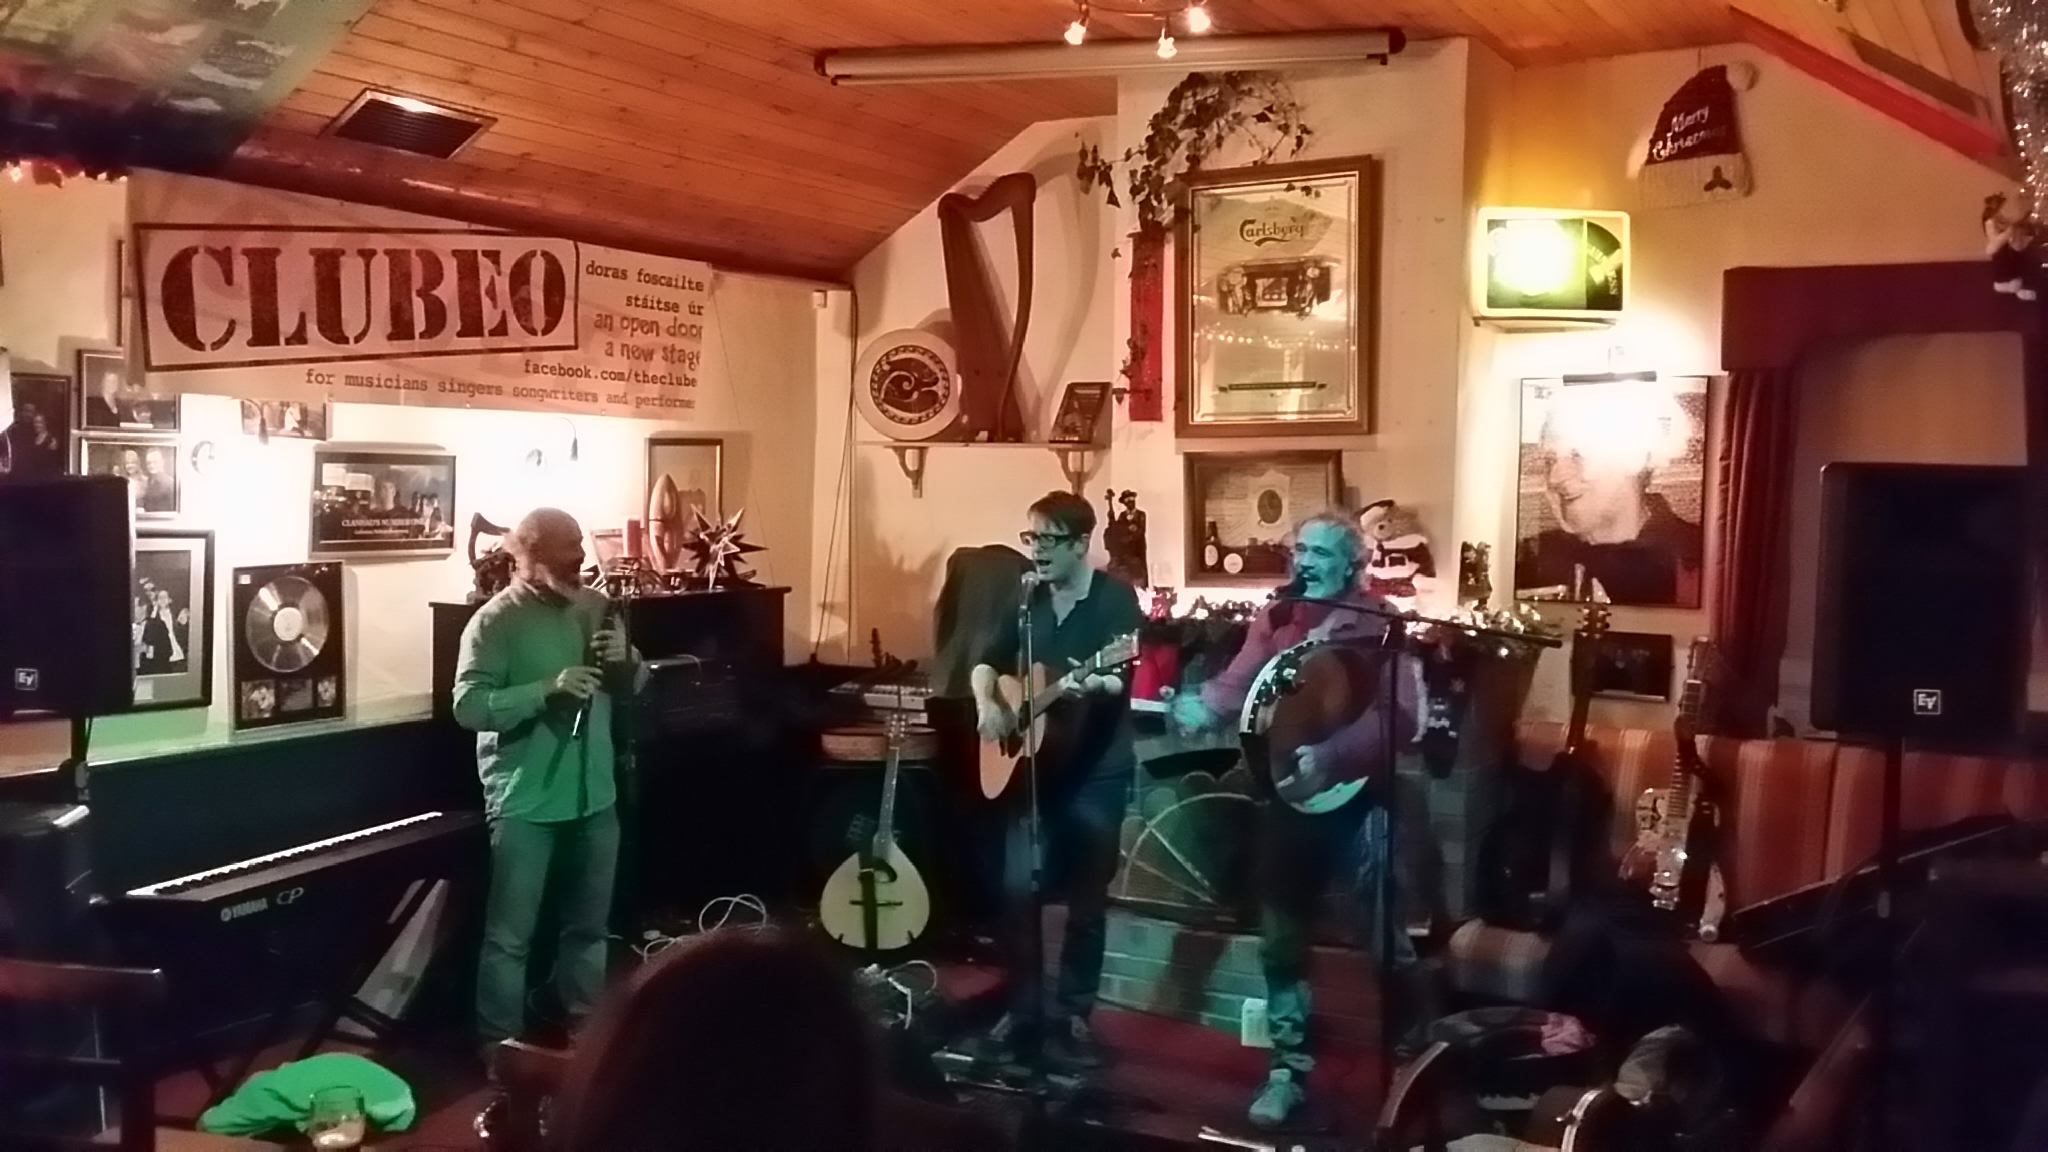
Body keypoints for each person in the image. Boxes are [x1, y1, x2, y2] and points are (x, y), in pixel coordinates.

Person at [1168, 511, 1429, 1130]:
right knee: (1280, 939)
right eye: (1301, 550)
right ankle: (1289, 1068)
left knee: (1385, 940)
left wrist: (1333, 756)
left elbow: (1401, 715)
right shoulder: (1278, 616)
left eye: (1322, 552)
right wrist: (1201, 707)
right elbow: (1240, 684)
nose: (1306, 561)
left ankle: (1414, 1056)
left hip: (1359, 800)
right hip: (1287, 800)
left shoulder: (1380, 623)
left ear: (1353, 565)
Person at [453, 507, 646, 1057]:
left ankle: (585, 1042)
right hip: (526, 799)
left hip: (595, 795)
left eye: (580, 544)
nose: (581, 556)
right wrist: (546, 690)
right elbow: (468, 707)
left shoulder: (598, 607)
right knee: (509, 940)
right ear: (531, 555)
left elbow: (634, 685)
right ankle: (500, 1054)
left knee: (589, 930)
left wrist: (627, 662)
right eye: (568, 546)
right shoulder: (493, 622)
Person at [965, 489, 1145, 1074]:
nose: (1037, 550)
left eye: (1048, 539)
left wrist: (1093, 684)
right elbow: (984, 661)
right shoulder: (1026, 598)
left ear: (1080, 543)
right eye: (1032, 537)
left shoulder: (1115, 600)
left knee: (1087, 904)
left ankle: (1071, 1017)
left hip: (1096, 773)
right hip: (1034, 773)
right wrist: (987, 705)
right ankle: (1022, 1012)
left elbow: (1118, 678)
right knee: (1019, 893)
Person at [1513, 383, 1703, 607]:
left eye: (1577, 456)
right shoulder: (1531, 559)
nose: (1554, 478)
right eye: (1549, 460)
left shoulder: (1693, 557)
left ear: (1633, 458)